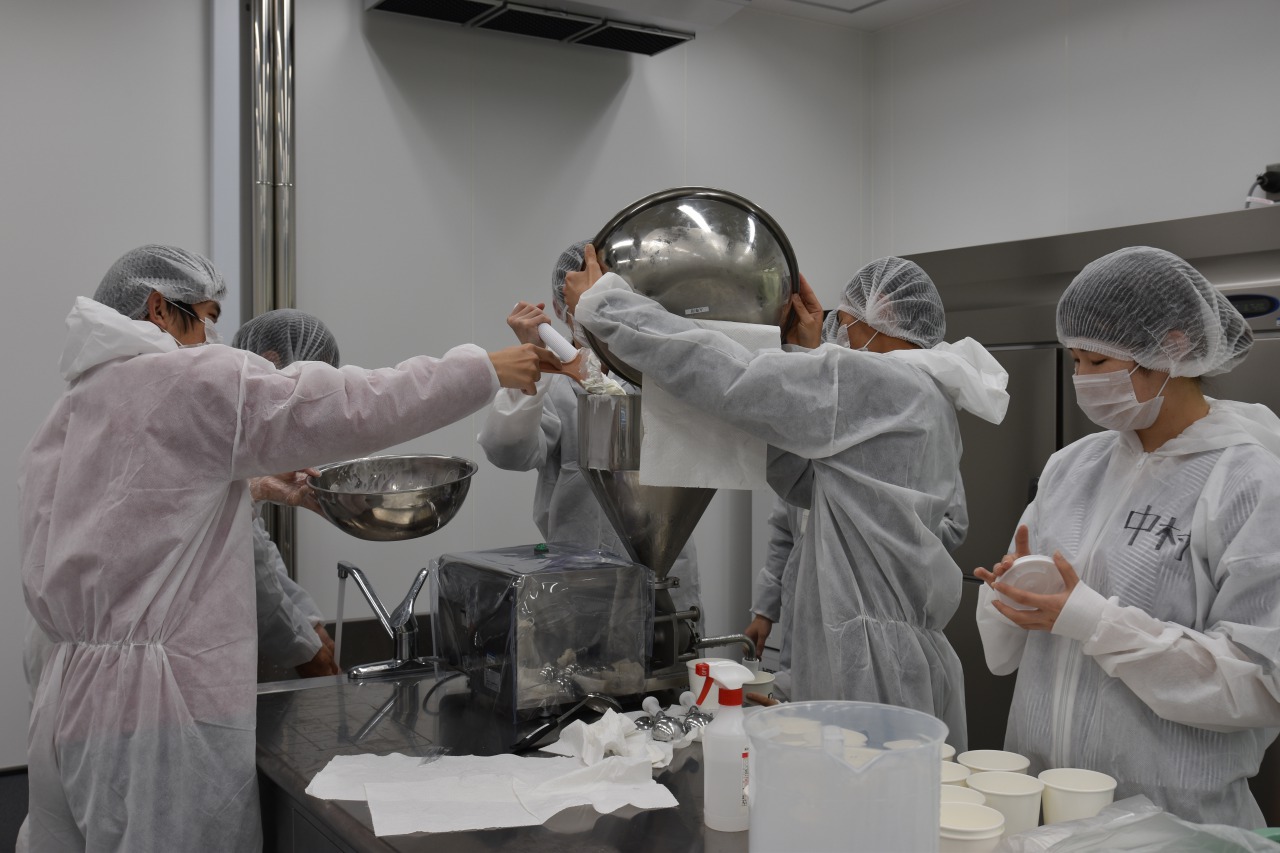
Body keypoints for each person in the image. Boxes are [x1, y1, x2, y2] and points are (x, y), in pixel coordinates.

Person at [20, 245, 554, 852]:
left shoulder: (74, 407)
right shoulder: (184, 379)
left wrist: (252, 486)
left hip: (65, 700)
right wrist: (485, 370)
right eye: (206, 317)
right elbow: (348, 404)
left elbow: (136, 516)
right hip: (157, 715)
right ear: (159, 308)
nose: (212, 338)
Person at [565, 248, 1008, 749]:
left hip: (868, 668)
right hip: (886, 655)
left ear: (879, 315)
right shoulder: (922, 394)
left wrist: (607, 305)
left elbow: (732, 375)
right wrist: (803, 355)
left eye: (845, 323)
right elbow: (805, 482)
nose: (839, 336)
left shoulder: (884, 382)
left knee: (857, 787)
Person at [974, 246, 1280, 828]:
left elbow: (1262, 682)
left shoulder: (1250, 482)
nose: (1082, 381)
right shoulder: (1073, 465)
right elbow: (1007, 651)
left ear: (1173, 349)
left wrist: (1094, 621)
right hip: (1046, 810)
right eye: (1075, 361)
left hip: (1172, 821)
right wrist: (1012, 594)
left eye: (1098, 361)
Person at [477, 241, 700, 614]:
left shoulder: (659, 371)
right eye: (582, 297)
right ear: (561, 309)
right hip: (581, 586)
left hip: (667, 579)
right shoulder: (556, 386)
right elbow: (507, 451)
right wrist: (532, 365)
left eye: (605, 292)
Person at [231, 309, 346, 680]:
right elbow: (245, 569)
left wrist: (308, 621)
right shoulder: (220, 428)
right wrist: (306, 649)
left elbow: (257, 547)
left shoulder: (247, 435)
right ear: (270, 362)